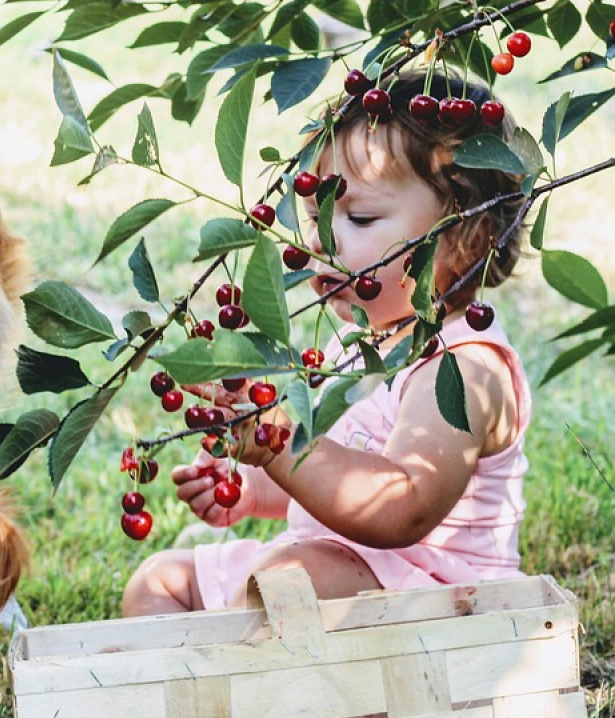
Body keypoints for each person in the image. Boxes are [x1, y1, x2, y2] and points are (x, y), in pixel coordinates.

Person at [122, 69, 532, 616]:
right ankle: (206, 696)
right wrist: (252, 486)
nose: (320, 241)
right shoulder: (357, 344)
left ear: (464, 238)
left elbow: (401, 507)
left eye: (358, 217)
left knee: (287, 584)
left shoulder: (464, 368)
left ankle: (258, 691)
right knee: (159, 581)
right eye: (317, 215)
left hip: (434, 600)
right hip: (328, 563)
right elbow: (325, 485)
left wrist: (279, 447)